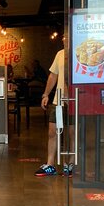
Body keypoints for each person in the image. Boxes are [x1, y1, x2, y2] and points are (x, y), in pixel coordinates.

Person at [35, 36, 73, 177]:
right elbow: (53, 76)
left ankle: (71, 163)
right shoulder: (60, 54)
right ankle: (50, 164)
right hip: (58, 100)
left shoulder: (80, 54)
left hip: (74, 100)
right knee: (53, 131)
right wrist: (46, 94)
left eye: (66, 36)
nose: (64, 39)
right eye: (63, 37)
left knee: (72, 133)